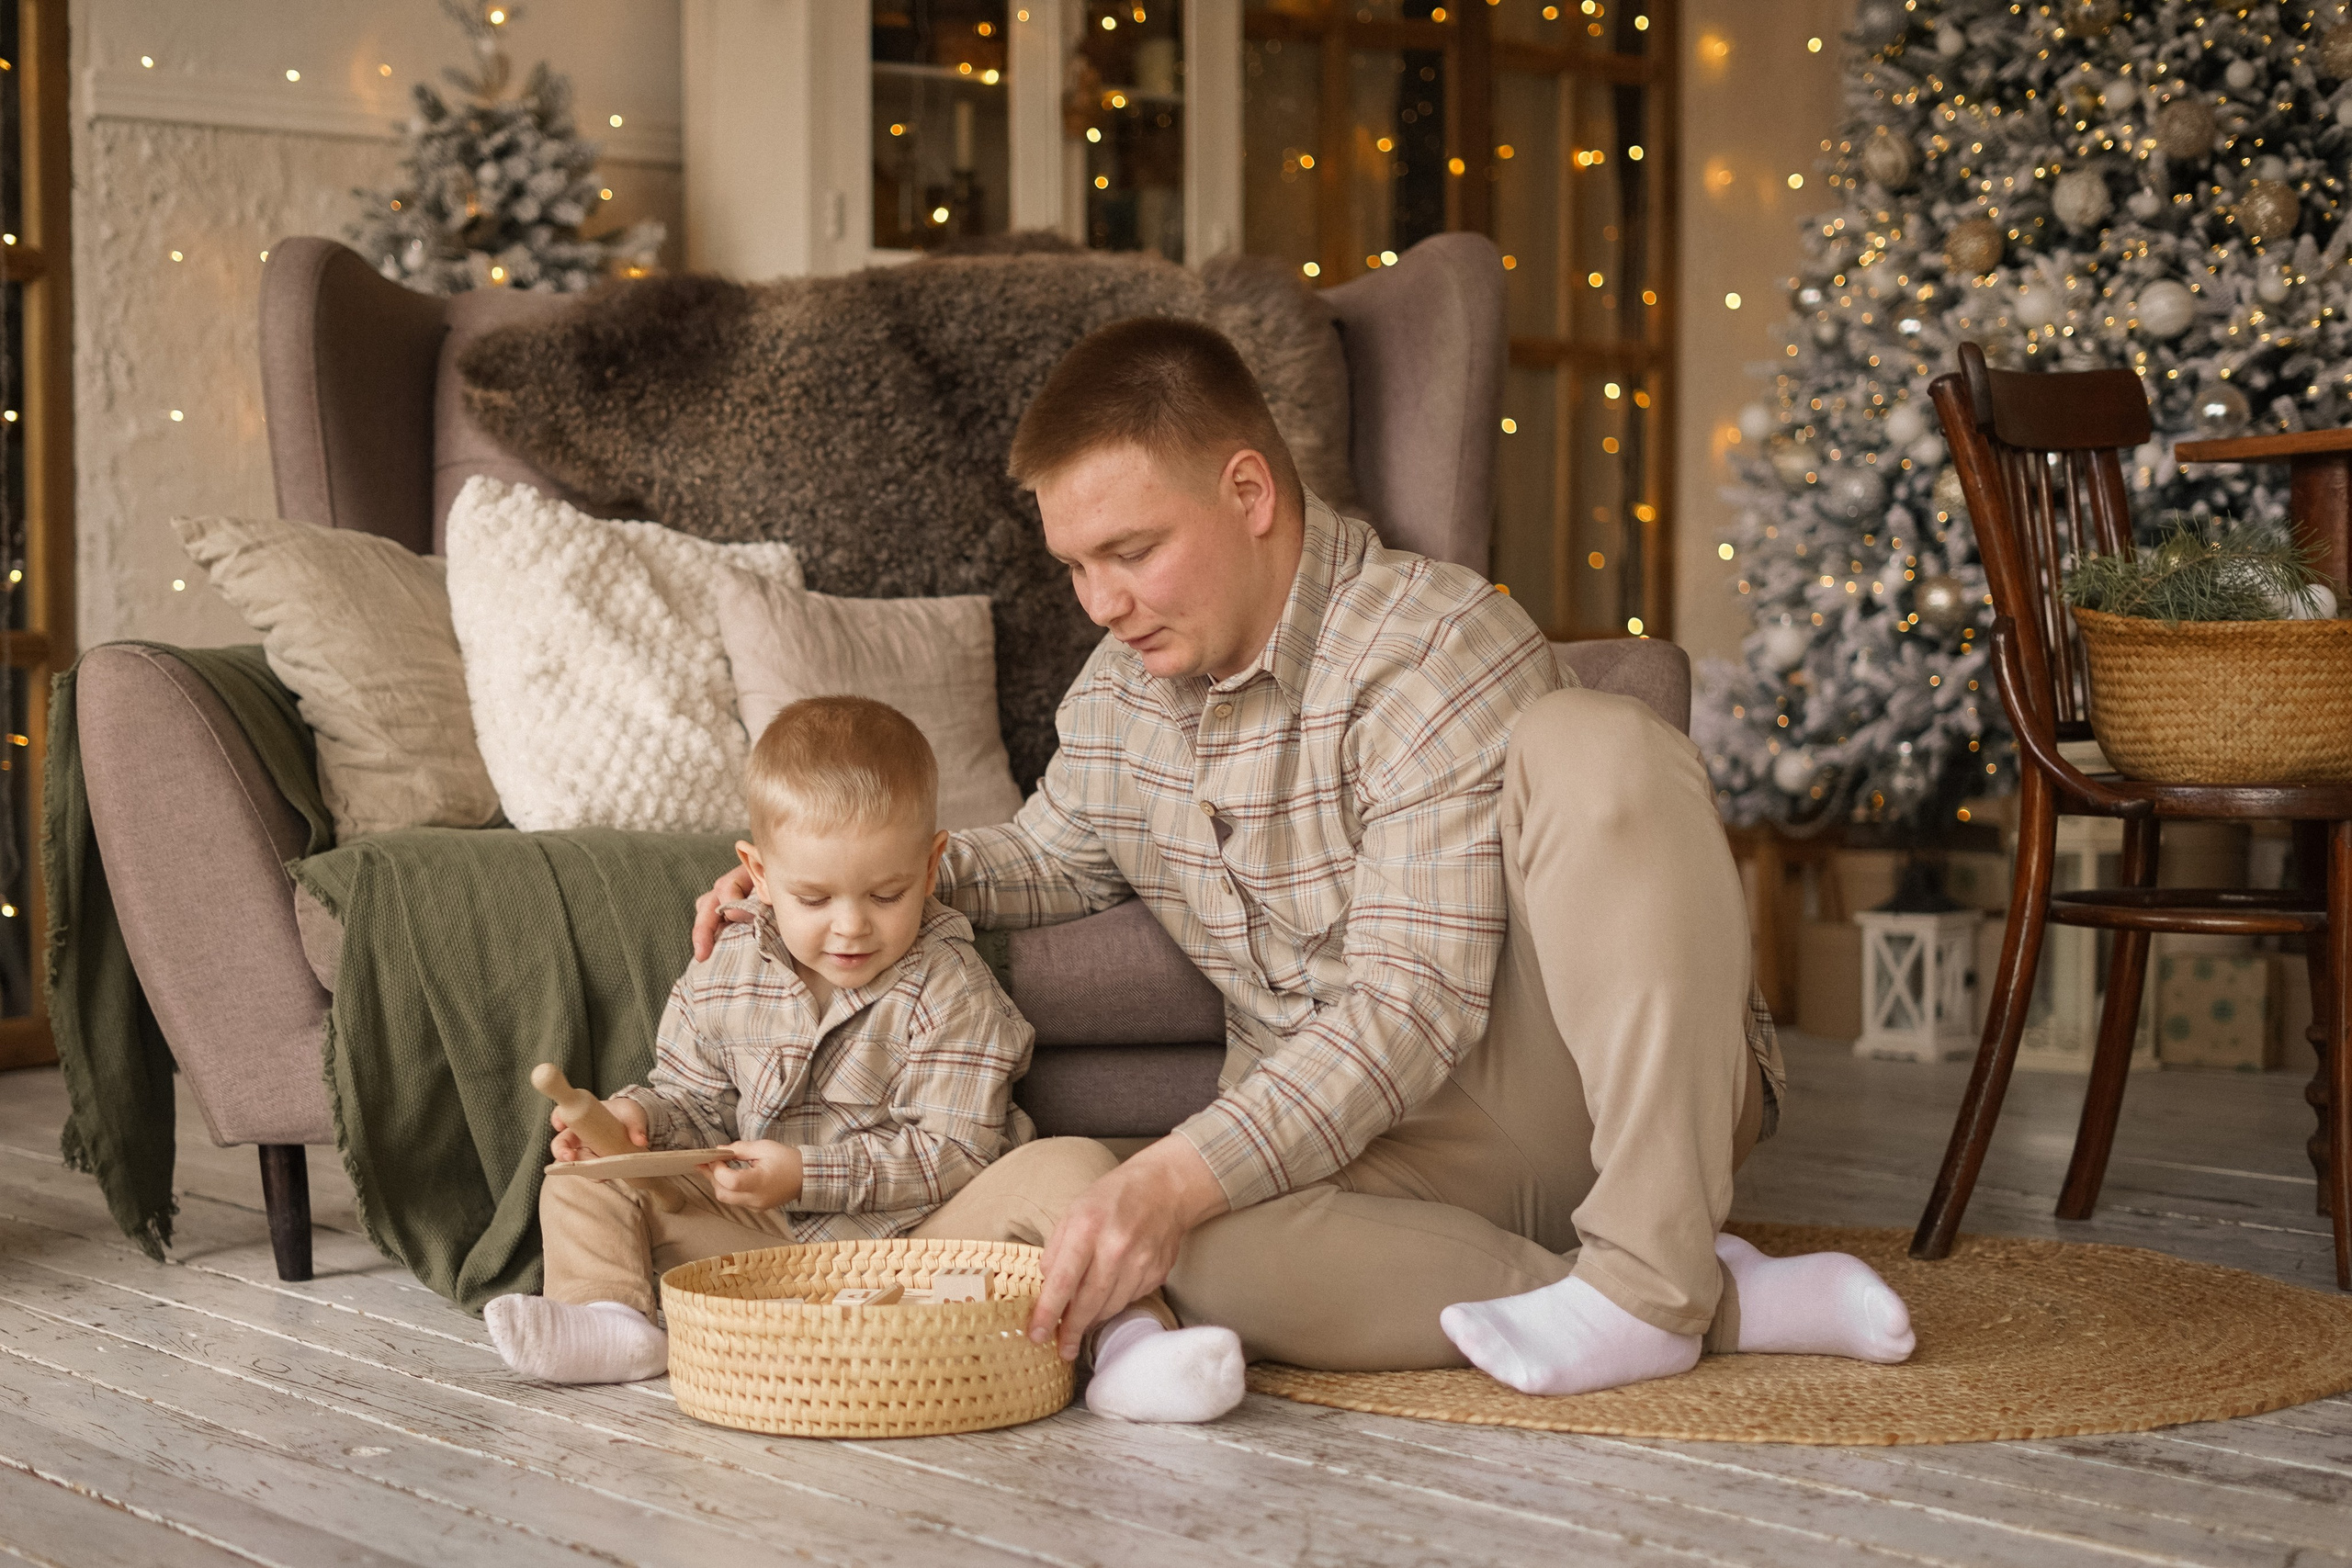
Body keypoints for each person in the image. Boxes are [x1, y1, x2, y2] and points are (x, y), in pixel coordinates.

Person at [694, 321, 1915, 1397]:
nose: (1100, 600)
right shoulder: (1121, 693)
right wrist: (849, 882)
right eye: (1075, 564)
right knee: (1167, 1248)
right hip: (1376, 1154)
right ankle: (1711, 1293)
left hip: (1554, 1093)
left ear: (1248, 490)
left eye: (1131, 549)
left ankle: (1652, 1275)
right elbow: (1056, 858)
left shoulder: (1436, 641)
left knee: (1601, 741)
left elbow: (1410, 1001)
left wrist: (1175, 1173)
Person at [492, 694, 1247, 1422]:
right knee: (582, 1176)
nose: (850, 927)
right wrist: (635, 1118)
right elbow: (691, 1098)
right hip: (769, 1235)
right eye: (814, 899)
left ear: (929, 867)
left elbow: (953, 1153)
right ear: (756, 871)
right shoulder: (724, 968)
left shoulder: (948, 983)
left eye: (886, 894)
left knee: (1076, 1169)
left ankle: (1131, 1347)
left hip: (934, 1233)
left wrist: (806, 1171)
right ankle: (610, 1316)